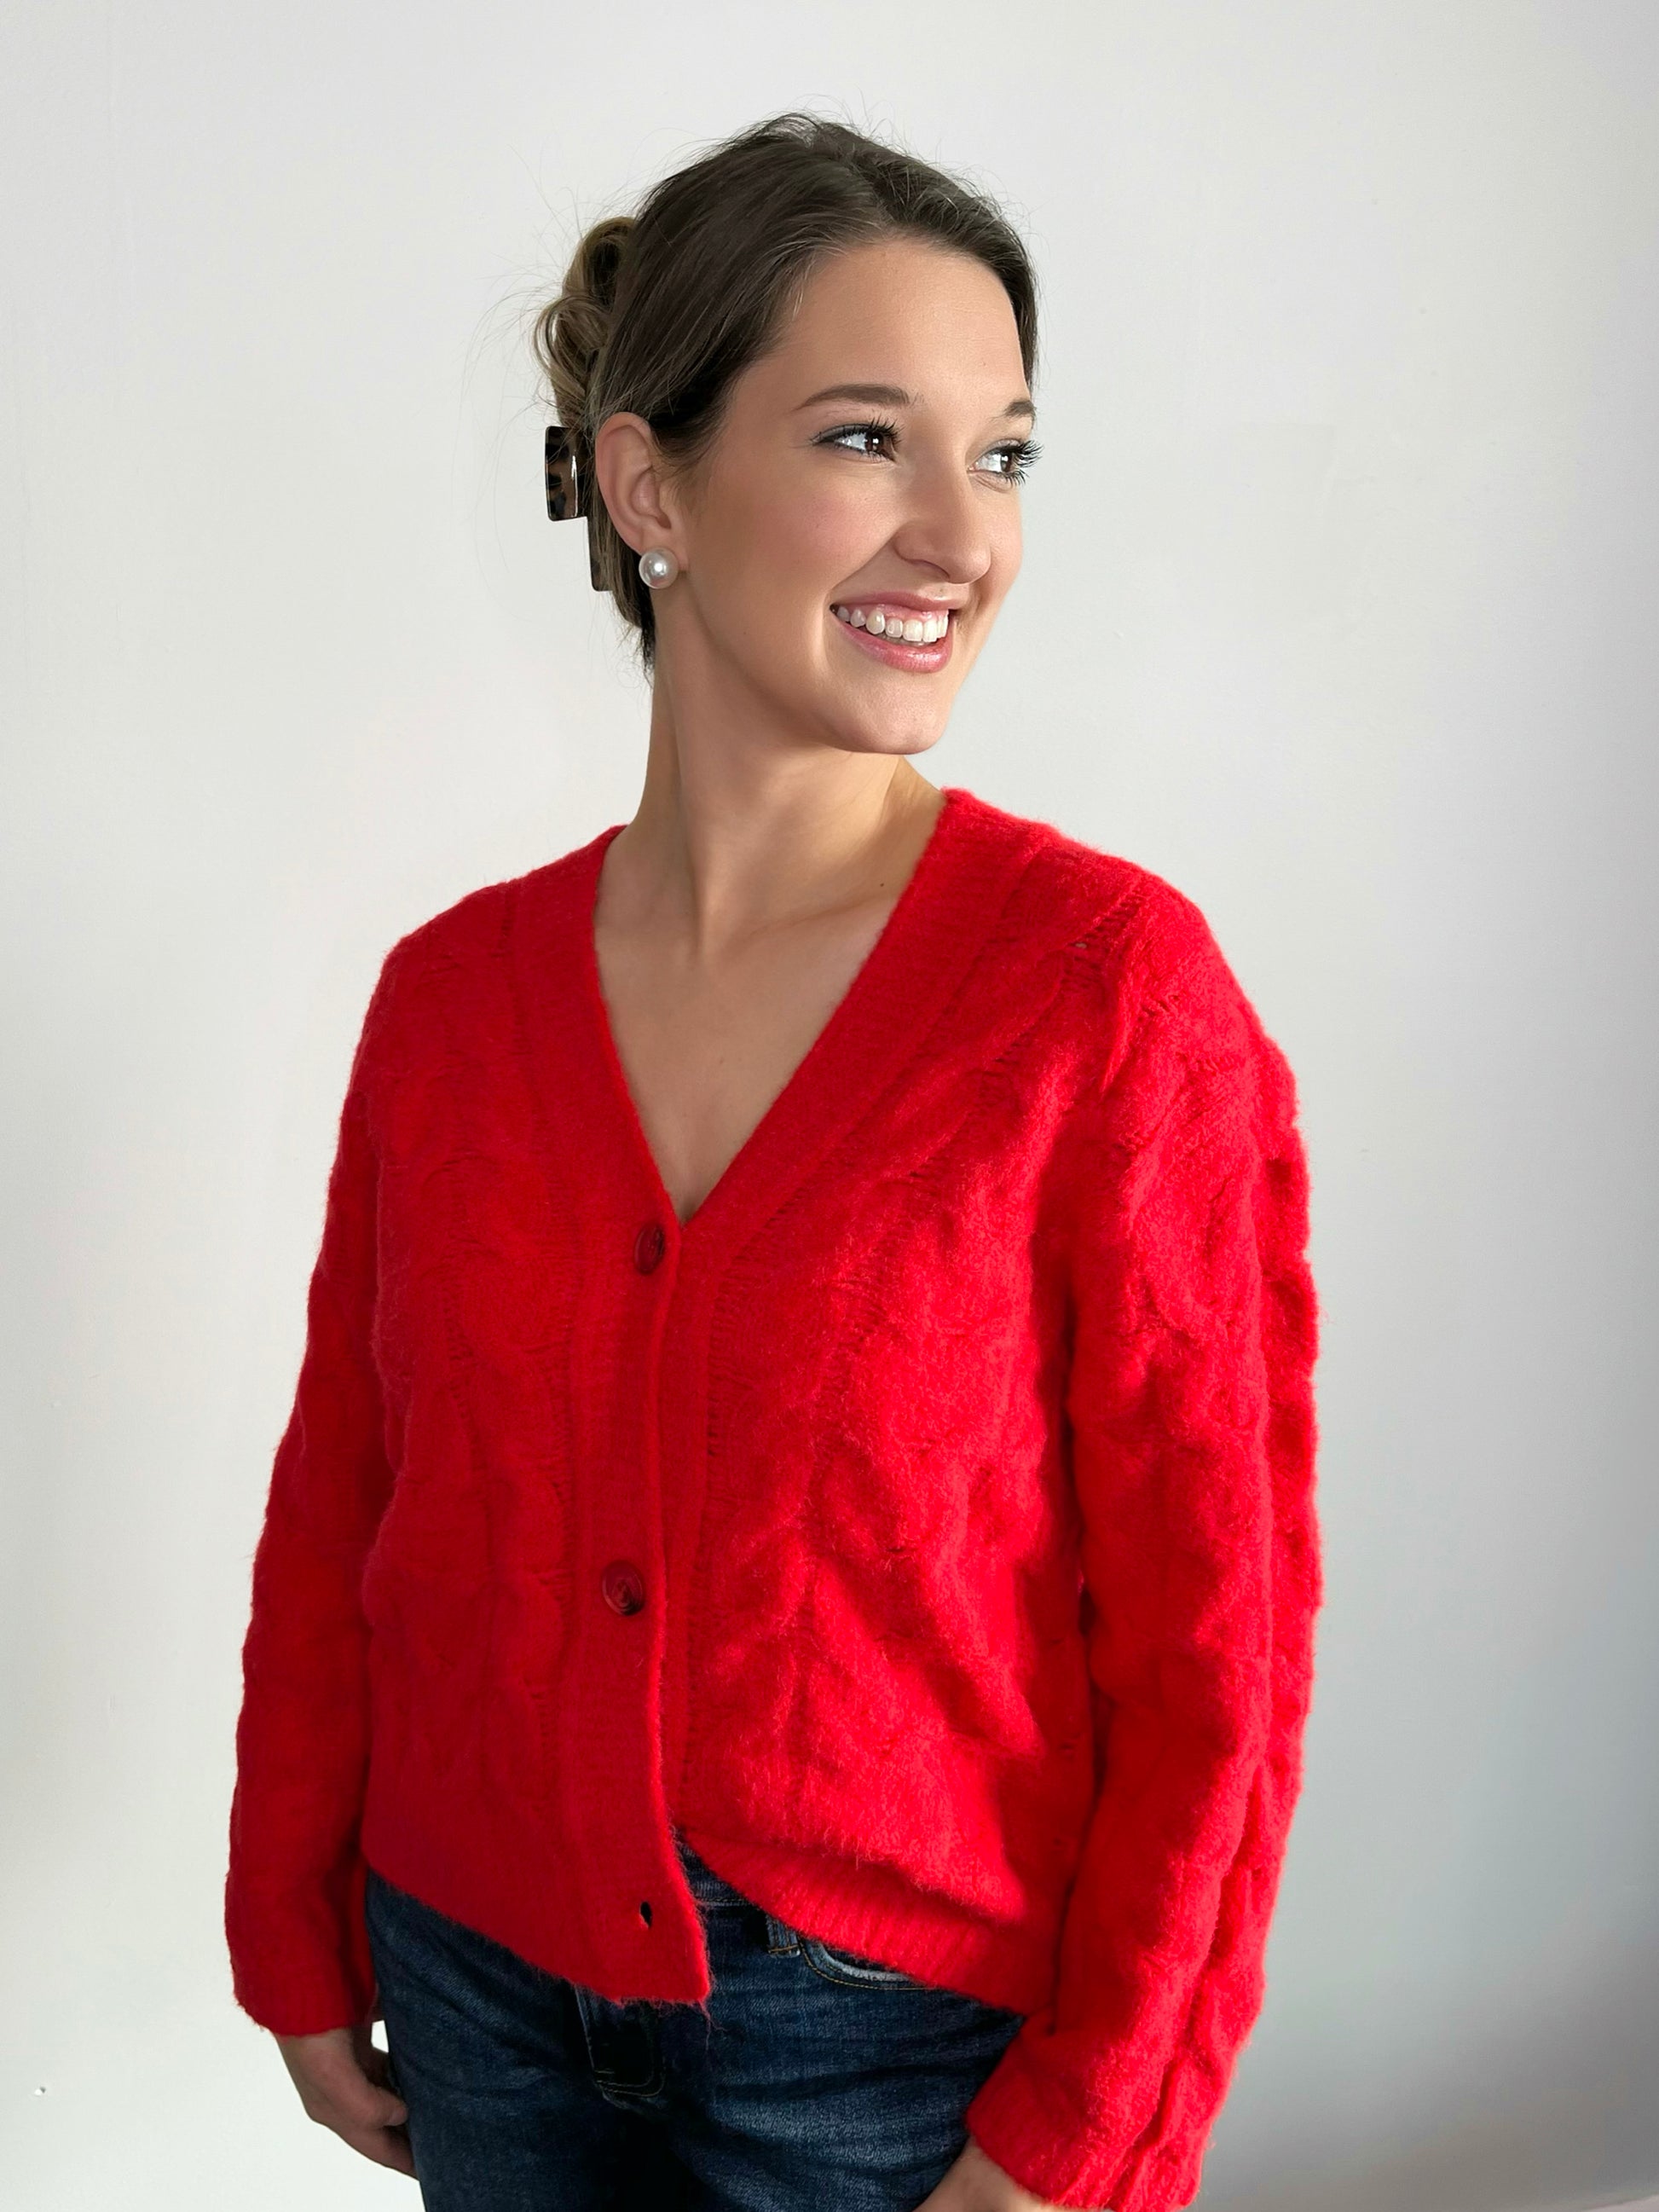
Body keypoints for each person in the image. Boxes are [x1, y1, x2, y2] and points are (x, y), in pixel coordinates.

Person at [224, 110, 1323, 2212]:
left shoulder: (1103, 997)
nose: (961, 534)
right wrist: (290, 1913)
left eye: (1003, 454)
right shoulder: (452, 1003)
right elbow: (350, 1495)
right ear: (650, 486)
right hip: (466, 1976)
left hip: (888, 2054)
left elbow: (1219, 1649)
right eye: (865, 440)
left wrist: (1094, 2131)